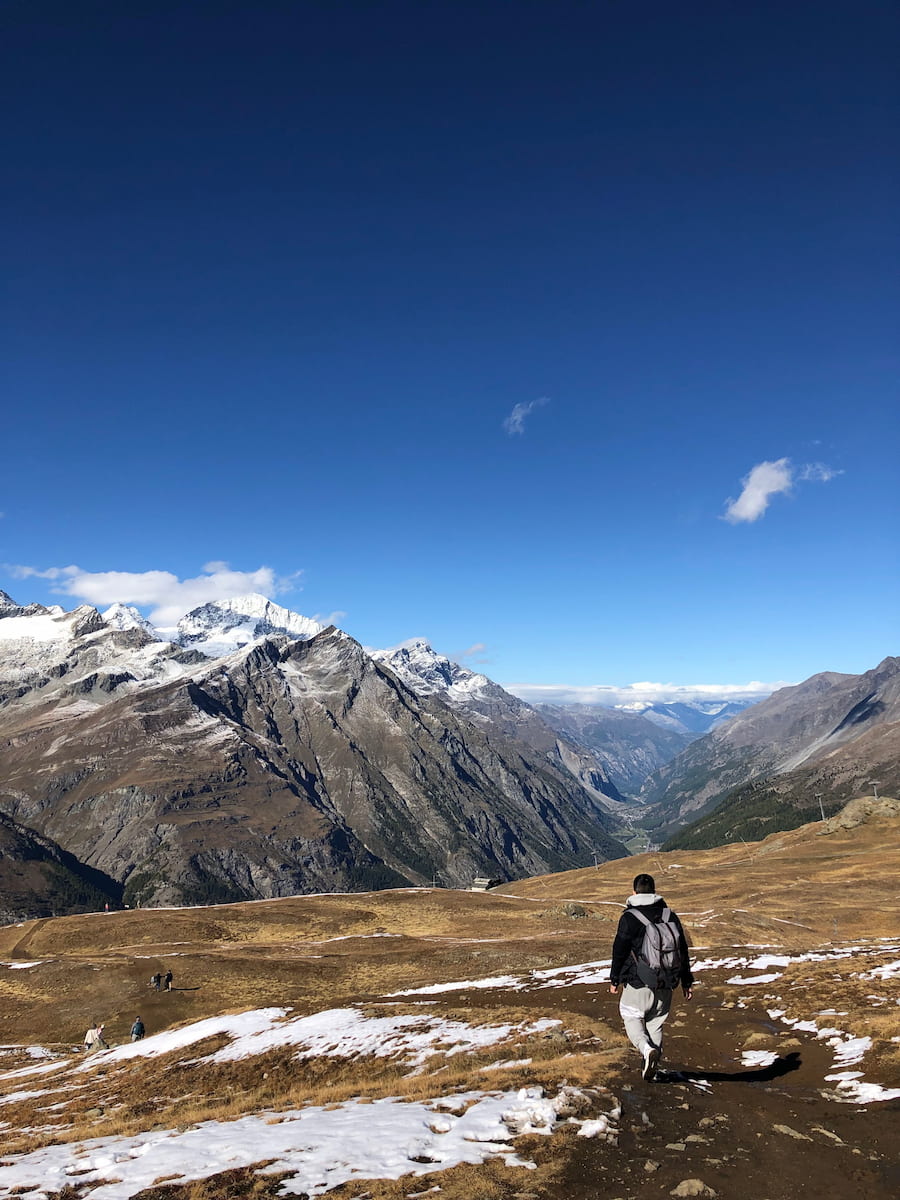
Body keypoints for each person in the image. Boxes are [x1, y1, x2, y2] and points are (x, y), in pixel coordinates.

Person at [609, 872, 693, 1081]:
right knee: (655, 1023)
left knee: (631, 1015)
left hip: (639, 981)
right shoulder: (669, 915)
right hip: (667, 980)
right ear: (655, 892)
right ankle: (652, 1070)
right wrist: (686, 981)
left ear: (634, 892)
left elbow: (619, 950)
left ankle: (646, 1050)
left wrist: (615, 979)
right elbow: (682, 949)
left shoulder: (629, 917)